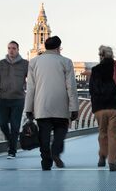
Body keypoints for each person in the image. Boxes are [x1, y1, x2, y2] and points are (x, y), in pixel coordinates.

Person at [24, 36, 78, 170]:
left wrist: (28, 109)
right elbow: (71, 86)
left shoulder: (34, 62)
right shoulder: (66, 62)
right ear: (58, 47)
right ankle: (55, 152)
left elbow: (30, 88)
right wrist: (74, 108)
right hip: (61, 105)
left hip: (42, 106)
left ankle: (46, 162)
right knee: (60, 131)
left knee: (44, 135)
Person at [89, 45, 116, 171]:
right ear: (112, 55)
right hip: (115, 107)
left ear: (100, 56)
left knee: (102, 133)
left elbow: (92, 89)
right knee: (114, 135)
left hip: (100, 108)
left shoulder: (95, 70)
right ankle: (112, 162)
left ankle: (102, 156)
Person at [0, 41, 28, 159]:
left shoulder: (25, 64)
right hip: (4, 99)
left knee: (15, 126)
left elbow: (31, 81)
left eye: (14, 48)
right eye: (9, 48)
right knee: (2, 123)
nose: (11, 50)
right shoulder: (0, 64)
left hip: (18, 99)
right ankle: (12, 141)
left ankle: (12, 151)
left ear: (18, 50)